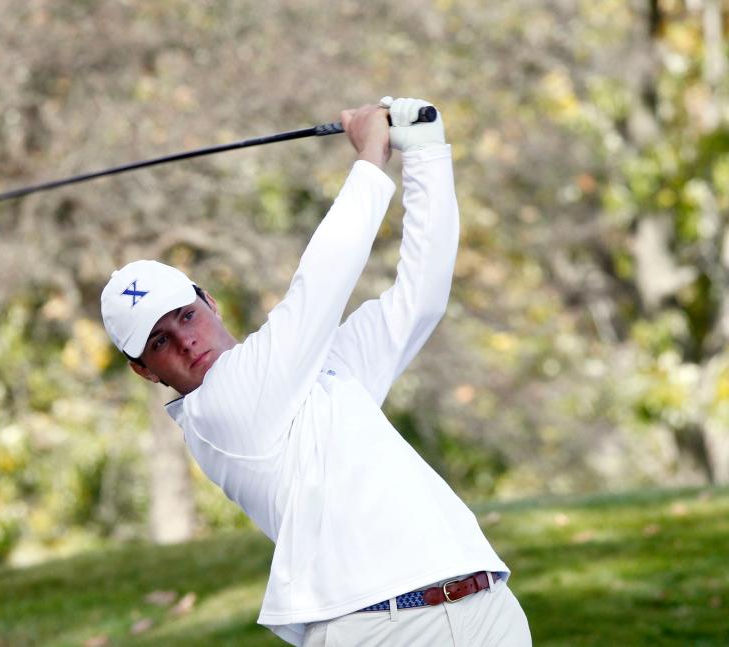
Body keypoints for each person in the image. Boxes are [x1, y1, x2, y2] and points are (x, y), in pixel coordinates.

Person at [100, 97, 532, 646]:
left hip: (484, 607)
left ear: (210, 303)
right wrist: (370, 155)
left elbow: (418, 299)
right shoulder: (219, 410)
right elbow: (320, 284)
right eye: (160, 341)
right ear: (145, 371)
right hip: (382, 629)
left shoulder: (312, 372)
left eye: (186, 315)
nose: (185, 340)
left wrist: (424, 153)